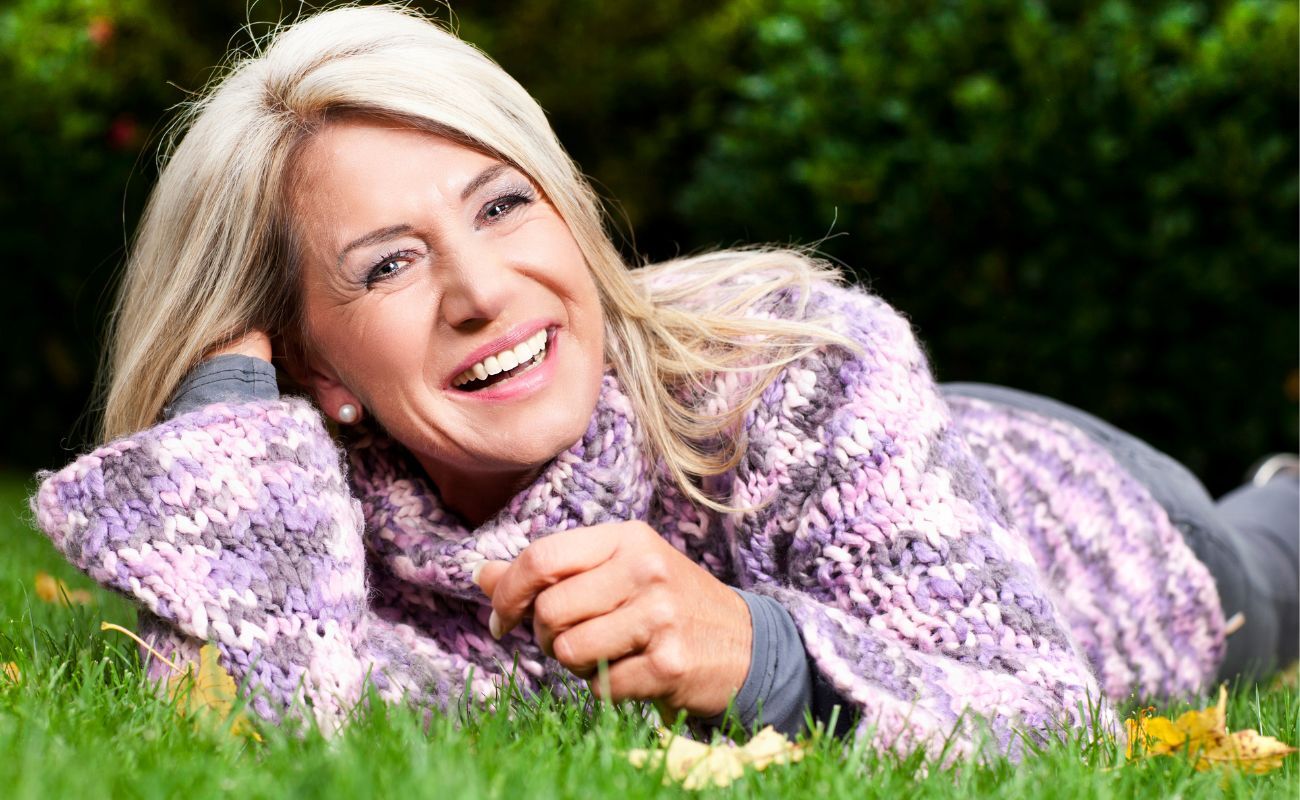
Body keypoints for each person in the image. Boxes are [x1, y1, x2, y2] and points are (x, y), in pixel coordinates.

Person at [29, 4, 1297, 762]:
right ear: (311, 366)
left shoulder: (804, 366)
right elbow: (239, 717)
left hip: (1089, 517)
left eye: (501, 204)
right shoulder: (309, 514)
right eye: (390, 263)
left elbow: (1046, 711)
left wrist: (761, 650)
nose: (481, 289)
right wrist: (225, 435)